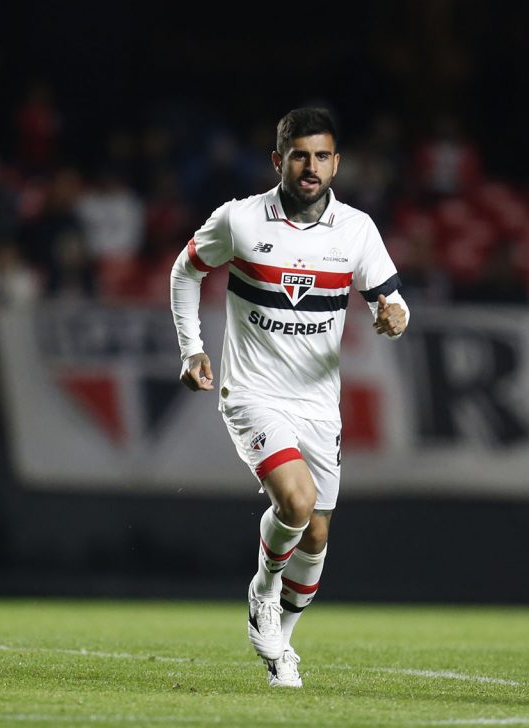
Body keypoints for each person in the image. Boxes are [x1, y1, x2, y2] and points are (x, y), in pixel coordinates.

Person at [169, 108, 409, 688]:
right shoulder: (240, 221)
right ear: (278, 160)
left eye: (322, 156)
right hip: (252, 392)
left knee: (319, 534)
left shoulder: (357, 230)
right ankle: (264, 590)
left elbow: (391, 300)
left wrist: (395, 316)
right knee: (296, 504)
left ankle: (283, 645)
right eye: (300, 155)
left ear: (337, 163)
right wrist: (191, 349)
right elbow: (185, 270)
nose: (311, 167)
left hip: (318, 404)